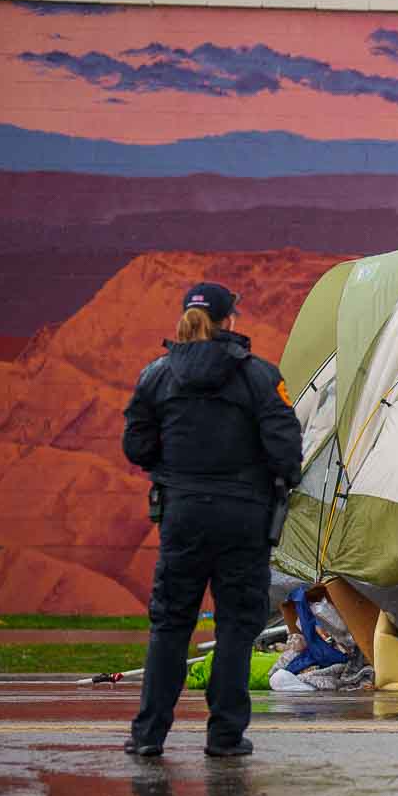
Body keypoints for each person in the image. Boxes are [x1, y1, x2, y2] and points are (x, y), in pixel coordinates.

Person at [121, 282, 302, 757]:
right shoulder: (260, 377)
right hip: (244, 519)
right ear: (231, 322)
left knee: (171, 625)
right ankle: (224, 737)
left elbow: (136, 447)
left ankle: (148, 737)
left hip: (181, 514)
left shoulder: (156, 376)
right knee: (237, 627)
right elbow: (286, 450)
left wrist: (179, 471)